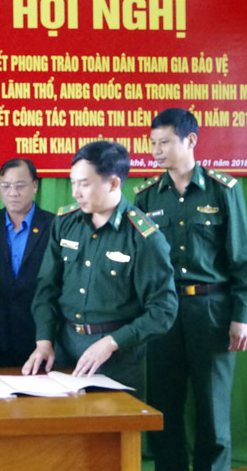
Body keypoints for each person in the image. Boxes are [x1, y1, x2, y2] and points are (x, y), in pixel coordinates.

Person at [134, 108, 247, 471]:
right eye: (153, 143)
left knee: (212, 414)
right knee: (164, 411)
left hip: (212, 311)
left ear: (190, 140)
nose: (156, 150)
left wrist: (242, 315)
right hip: (163, 315)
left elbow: (241, 256)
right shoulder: (145, 196)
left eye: (164, 142)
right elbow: (142, 264)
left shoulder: (222, 190)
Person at [22, 141, 177, 395]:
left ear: (113, 183)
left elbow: (163, 310)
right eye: (73, 183)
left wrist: (112, 342)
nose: (75, 193)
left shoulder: (144, 237)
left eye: (84, 184)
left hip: (117, 359)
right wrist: (44, 340)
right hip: (64, 351)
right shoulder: (65, 223)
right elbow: (47, 288)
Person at [0, 158, 55, 367]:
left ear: (35, 185)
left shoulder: (54, 226)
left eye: (20, 185)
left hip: (38, 338)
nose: (12, 193)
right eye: (5, 186)